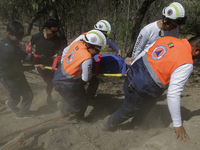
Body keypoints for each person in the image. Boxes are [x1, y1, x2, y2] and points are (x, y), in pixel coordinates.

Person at [101, 35, 200, 143]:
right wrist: (178, 125)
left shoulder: (169, 39)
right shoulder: (186, 63)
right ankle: (108, 125)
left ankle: (136, 125)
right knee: (128, 110)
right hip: (142, 86)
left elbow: (145, 52)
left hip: (135, 74)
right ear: (197, 50)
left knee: (149, 103)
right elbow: (173, 94)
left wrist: (133, 66)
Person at [52, 30, 107, 120]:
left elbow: (66, 50)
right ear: (89, 45)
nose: (98, 52)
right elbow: (85, 78)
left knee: (84, 100)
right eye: (97, 49)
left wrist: (63, 63)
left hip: (61, 74)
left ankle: (79, 117)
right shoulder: (87, 58)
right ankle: (65, 108)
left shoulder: (77, 43)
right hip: (65, 83)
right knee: (78, 105)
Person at [61, 20, 121, 100]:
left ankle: (88, 99)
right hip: (75, 67)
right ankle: (74, 101)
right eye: (105, 34)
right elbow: (66, 50)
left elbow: (109, 42)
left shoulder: (98, 37)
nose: (106, 37)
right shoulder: (85, 38)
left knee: (94, 82)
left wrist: (118, 50)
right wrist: (63, 63)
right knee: (81, 84)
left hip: (84, 63)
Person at [0, 21, 34, 118]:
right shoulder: (8, 49)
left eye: (21, 37)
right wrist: (35, 66)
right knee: (16, 98)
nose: (20, 40)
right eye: (18, 38)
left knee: (28, 95)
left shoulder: (9, 40)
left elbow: (21, 55)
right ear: (9, 34)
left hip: (16, 72)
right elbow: (19, 67)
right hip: (8, 76)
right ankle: (11, 104)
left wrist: (32, 58)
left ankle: (22, 113)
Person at [27, 19, 61, 105]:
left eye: (56, 32)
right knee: (50, 82)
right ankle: (48, 98)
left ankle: (50, 97)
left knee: (54, 82)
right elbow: (29, 45)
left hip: (51, 63)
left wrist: (57, 58)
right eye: (53, 31)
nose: (54, 34)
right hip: (39, 64)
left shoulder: (56, 39)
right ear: (46, 28)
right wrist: (30, 55)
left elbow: (57, 52)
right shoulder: (37, 37)